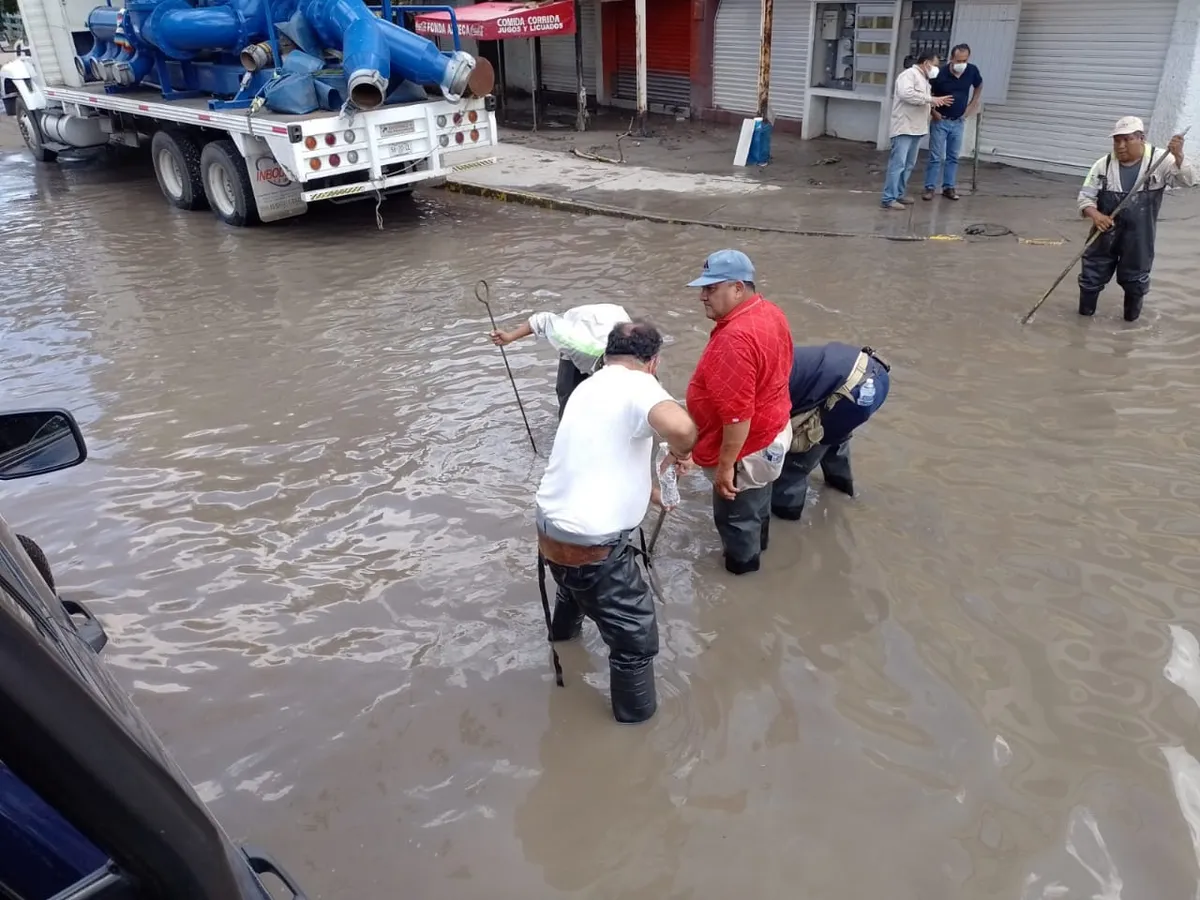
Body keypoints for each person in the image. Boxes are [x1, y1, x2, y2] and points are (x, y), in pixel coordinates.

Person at [535, 321, 697, 724]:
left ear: (608, 354)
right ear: (653, 361)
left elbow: (604, 456)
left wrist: (650, 489)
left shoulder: (587, 387)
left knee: (573, 586)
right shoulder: (641, 386)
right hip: (594, 544)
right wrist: (682, 450)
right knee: (636, 642)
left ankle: (563, 642)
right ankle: (635, 729)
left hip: (550, 530)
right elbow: (682, 428)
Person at [676, 249, 793, 576]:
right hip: (773, 434)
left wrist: (726, 466)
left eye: (711, 289)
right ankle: (761, 547)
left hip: (747, 449)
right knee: (758, 504)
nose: (702, 296)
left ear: (738, 288)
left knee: (736, 517)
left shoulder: (735, 338)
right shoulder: (770, 312)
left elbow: (738, 416)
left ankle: (743, 570)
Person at [1077, 117, 1195, 323]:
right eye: (1117, 141)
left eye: (1127, 140)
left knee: (1136, 282)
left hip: (1139, 237)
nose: (1120, 146)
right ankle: (1082, 322)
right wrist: (1096, 216)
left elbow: (1190, 181)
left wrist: (1179, 156)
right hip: (1104, 235)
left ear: (1141, 138)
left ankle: (1129, 327)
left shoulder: (1161, 161)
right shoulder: (1102, 165)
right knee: (1090, 277)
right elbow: (1084, 198)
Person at [770, 343, 892, 522]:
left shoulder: (760, 383)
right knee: (834, 439)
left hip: (852, 392)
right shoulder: (774, 358)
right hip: (872, 374)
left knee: (796, 460)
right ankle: (842, 492)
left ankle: (786, 517)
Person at [490, 303, 631, 418]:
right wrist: (509, 337)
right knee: (568, 397)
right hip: (581, 325)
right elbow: (541, 320)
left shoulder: (639, 357)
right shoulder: (574, 344)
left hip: (612, 319)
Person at [882, 52, 953, 211]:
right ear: (926, 63)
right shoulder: (909, 75)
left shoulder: (924, 79)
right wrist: (930, 99)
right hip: (904, 127)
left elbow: (923, 100)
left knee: (908, 165)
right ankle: (888, 198)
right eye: (935, 64)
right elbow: (906, 94)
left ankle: (899, 193)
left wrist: (932, 104)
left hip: (916, 128)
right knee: (898, 164)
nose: (936, 68)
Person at [923, 43, 982, 201]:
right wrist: (933, 111)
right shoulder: (940, 74)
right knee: (936, 156)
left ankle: (948, 187)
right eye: (958, 61)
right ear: (951, 59)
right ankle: (930, 187)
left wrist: (972, 105)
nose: (961, 64)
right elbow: (927, 93)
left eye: (964, 60)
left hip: (958, 121)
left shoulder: (972, 71)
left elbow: (978, 85)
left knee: (953, 156)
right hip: (940, 120)